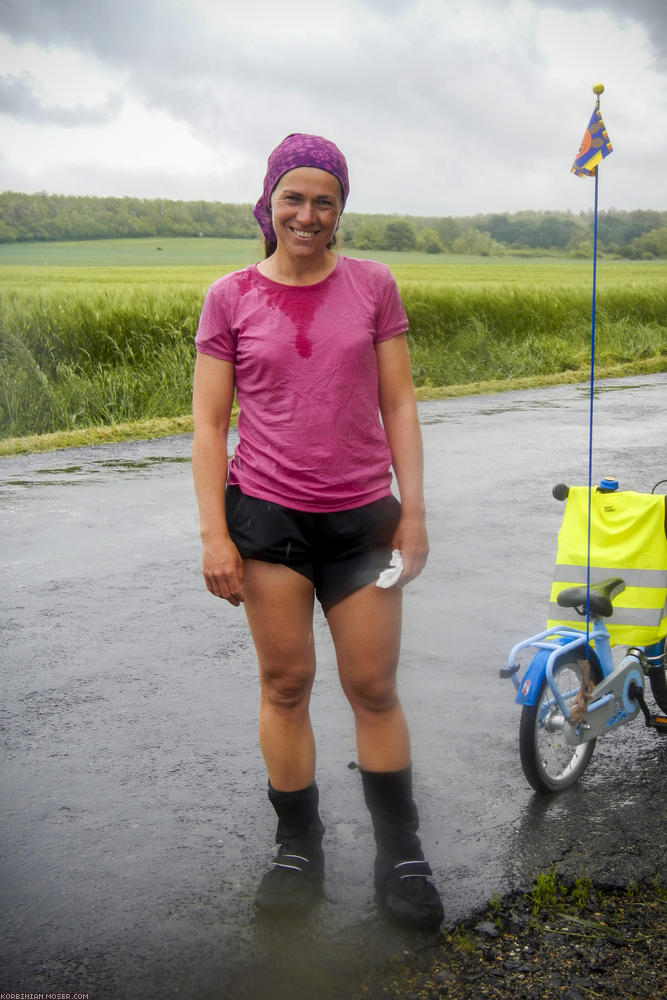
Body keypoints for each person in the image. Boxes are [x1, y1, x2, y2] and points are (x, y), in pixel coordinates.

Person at [191, 133, 443, 929]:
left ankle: (400, 855)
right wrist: (213, 535)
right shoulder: (230, 296)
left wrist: (414, 510)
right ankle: (297, 849)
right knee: (285, 685)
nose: (307, 213)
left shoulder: (372, 286)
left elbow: (398, 402)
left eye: (323, 200)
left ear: (339, 212)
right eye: (292, 199)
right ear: (268, 206)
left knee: (372, 687)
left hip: (361, 516)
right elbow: (206, 424)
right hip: (266, 516)